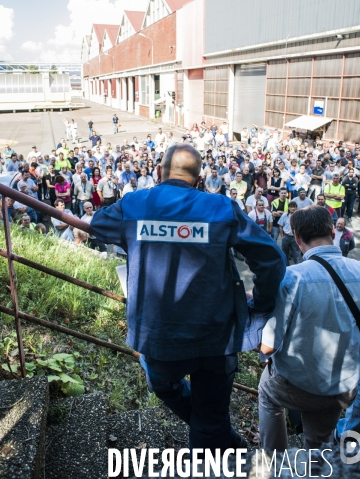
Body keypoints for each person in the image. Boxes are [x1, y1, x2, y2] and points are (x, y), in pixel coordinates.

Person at [89, 143, 286, 453]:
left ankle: (218, 434)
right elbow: (272, 259)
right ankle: (218, 434)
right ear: (199, 181)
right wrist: (259, 307)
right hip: (216, 338)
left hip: (157, 336)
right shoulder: (221, 208)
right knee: (210, 419)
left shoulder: (135, 204)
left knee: (161, 384)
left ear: (157, 173)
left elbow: (98, 223)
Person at [259, 205, 360, 451]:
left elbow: (270, 341)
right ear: (332, 230)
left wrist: (265, 356)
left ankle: (274, 458)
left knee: (267, 392)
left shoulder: (291, 277)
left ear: (296, 238)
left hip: (295, 386)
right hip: (342, 387)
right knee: (319, 442)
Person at [278, 200, 301, 265]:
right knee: (285, 254)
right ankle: (286, 267)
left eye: (294, 207)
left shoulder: (299, 215)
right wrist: (282, 236)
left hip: (295, 237)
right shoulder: (285, 215)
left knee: (297, 254)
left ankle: (297, 267)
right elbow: (280, 226)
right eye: (291, 207)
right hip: (286, 236)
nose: (293, 208)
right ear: (288, 208)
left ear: (296, 208)